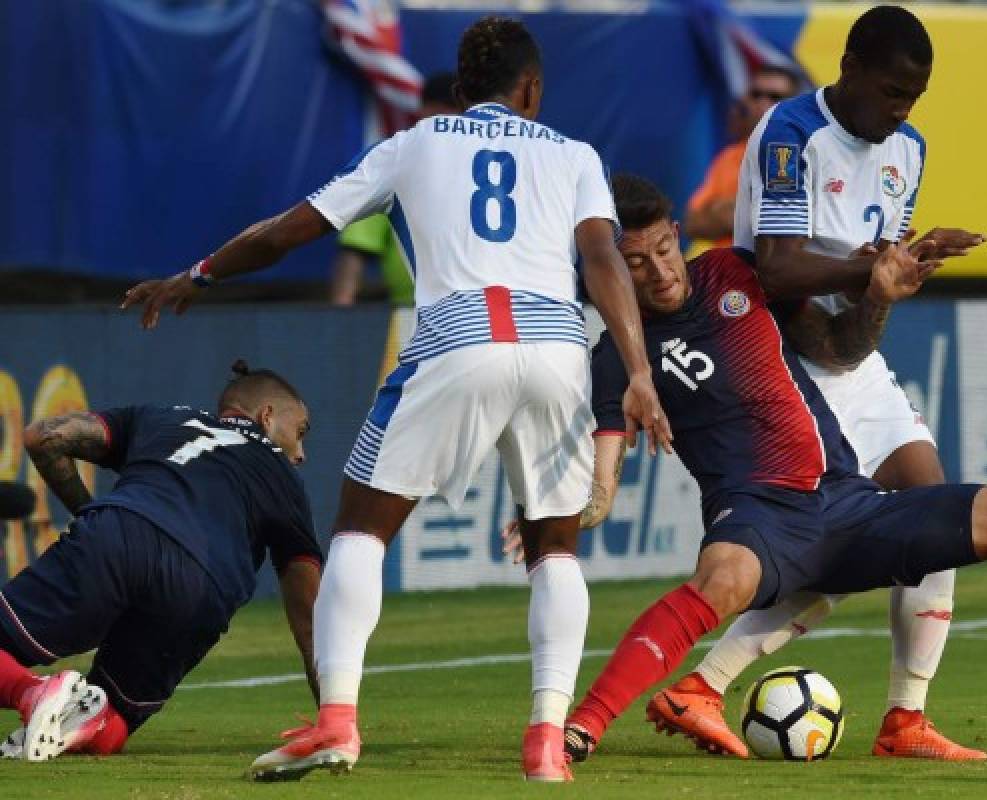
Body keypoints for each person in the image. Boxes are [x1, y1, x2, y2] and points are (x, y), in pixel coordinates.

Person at [122, 16, 670, 783]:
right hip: (556, 347)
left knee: (361, 529)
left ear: (461, 83)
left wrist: (200, 274)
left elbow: (290, 230)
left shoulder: (415, 143)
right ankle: (548, 741)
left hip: (459, 335)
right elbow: (602, 255)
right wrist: (638, 370)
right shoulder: (577, 154)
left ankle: (337, 723)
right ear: (533, 89)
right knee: (554, 547)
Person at [558, 173, 987, 767]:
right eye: (636, 263)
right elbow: (605, 474)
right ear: (609, 273)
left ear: (678, 236)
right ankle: (584, 726)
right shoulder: (614, 361)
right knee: (723, 579)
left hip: (846, 500)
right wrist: (572, 516)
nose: (660, 272)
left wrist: (878, 277)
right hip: (761, 516)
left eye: (663, 250)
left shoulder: (734, 271)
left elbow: (834, 328)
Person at [659, 5, 987, 761]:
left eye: (916, 94)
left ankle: (906, 717)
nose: (903, 107)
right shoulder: (790, 132)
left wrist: (894, 273)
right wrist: (872, 269)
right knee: (849, 541)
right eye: (893, 89)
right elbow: (776, 266)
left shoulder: (908, 148)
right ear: (850, 69)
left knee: (929, 516)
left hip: (852, 356)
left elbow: (869, 270)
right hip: (783, 354)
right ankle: (702, 684)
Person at [0, 361, 320, 761]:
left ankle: (32, 692)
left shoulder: (161, 417)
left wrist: (91, 516)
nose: (301, 453)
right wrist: (334, 714)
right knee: (112, 716)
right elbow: (310, 616)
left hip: (119, 536)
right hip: (205, 589)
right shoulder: (284, 480)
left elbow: (41, 437)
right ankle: (71, 728)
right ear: (267, 417)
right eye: (300, 433)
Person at [329, 72, 459, 307]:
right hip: (408, 312)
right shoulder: (396, 164)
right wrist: (340, 317)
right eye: (442, 111)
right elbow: (356, 248)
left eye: (456, 113)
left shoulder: (480, 171)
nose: (448, 122)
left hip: (475, 313)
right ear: (423, 111)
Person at [684, 66, 803, 254]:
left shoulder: (808, 153)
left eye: (775, 96)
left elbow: (783, 225)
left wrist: (725, 209)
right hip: (727, 275)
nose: (763, 103)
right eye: (756, 94)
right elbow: (693, 223)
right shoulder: (730, 156)